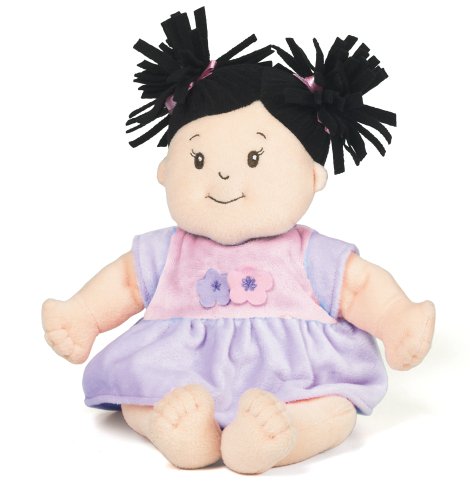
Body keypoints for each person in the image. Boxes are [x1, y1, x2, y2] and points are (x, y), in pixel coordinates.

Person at [42, 7, 435, 474]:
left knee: (334, 408)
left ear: (312, 177)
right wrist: (83, 316)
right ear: (166, 171)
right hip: (178, 368)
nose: (224, 174)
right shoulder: (168, 250)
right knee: (140, 398)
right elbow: (126, 284)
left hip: (294, 375)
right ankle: (185, 434)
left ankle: (277, 436)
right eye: (199, 159)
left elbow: (359, 288)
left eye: (253, 158)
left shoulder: (310, 253)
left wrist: (395, 319)